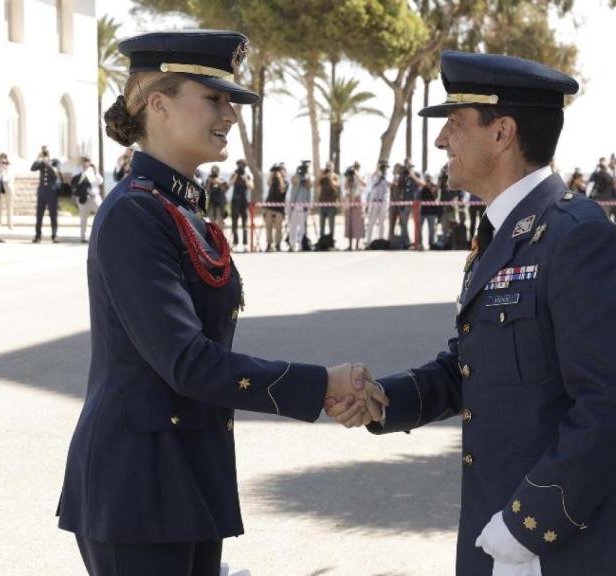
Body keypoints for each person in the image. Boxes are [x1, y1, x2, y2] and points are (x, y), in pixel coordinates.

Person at [57, 30, 388, 576]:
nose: (230, 115)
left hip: (188, 472)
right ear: (158, 104)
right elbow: (186, 361)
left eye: (229, 100)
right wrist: (321, 383)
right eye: (213, 98)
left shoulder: (177, 208)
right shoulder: (134, 215)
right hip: (137, 488)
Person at [329, 49, 616, 576]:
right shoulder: (505, 232)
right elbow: (474, 365)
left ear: (502, 132)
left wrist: (527, 525)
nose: (441, 141)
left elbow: (614, 401)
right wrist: (385, 400)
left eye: (454, 125)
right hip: (500, 531)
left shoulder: (577, 237)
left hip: (558, 545)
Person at [31, 147, 61, 243]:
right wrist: (38, 158)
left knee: (53, 215)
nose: (44, 156)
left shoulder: (54, 162)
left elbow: (55, 173)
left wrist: (47, 163)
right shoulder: (40, 164)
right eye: (43, 154)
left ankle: (54, 235)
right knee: (39, 215)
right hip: (42, 193)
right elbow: (32, 168)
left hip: (52, 193)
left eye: (45, 154)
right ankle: (38, 235)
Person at [73, 156, 104, 243]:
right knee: (83, 218)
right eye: (84, 161)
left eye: (87, 161)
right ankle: (83, 237)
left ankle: (101, 235)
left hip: (94, 196)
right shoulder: (77, 170)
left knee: (102, 214)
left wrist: (95, 172)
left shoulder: (93, 170)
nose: (86, 163)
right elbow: (74, 182)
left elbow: (100, 181)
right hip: (83, 197)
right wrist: (83, 174)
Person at [287, 160, 313, 251]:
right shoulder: (296, 177)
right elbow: (293, 181)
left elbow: (310, 185)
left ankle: (301, 245)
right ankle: (292, 245)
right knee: (293, 226)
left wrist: (307, 174)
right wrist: (298, 172)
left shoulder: (308, 177)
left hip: (303, 205)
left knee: (302, 227)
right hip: (294, 205)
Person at [227, 158, 252, 249]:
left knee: (245, 224)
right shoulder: (234, 174)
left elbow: (251, 187)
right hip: (235, 201)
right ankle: (235, 243)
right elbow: (229, 185)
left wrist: (245, 178)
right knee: (234, 223)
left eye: (242, 165)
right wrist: (236, 175)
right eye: (239, 165)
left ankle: (245, 244)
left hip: (244, 202)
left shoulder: (247, 175)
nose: (241, 167)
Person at [364, 160, 390, 244]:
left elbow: (390, 185)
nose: (383, 168)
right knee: (371, 221)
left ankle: (381, 239)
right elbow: (373, 180)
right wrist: (378, 169)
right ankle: (368, 241)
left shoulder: (387, 176)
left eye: (384, 166)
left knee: (382, 222)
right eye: (382, 166)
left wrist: (384, 177)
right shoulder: (375, 175)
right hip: (374, 201)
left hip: (383, 201)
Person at [262, 163, 286, 251]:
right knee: (268, 228)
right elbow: (268, 183)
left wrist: (280, 178)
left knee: (278, 228)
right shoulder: (273, 180)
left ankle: (278, 244)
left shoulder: (285, 181)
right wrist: (272, 173)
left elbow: (282, 189)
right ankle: (269, 245)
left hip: (279, 209)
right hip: (269, 207)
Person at [343, 163, 365, 250]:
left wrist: (357, 175)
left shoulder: (361, 175)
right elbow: (346, 187)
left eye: (356, 167)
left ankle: (357, 244)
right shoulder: (349, 177)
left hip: (357, 199)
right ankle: (350, 244)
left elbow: (364, 184)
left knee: (358, 222)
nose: (355, 169)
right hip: (349, 199)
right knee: (349, 221)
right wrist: (348, 178)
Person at [317, 161, 340, 240]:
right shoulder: (323, 177)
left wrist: (330, 179)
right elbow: (316, 185)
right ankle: (321, 240)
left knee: (331, 224)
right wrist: (320, 175)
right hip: (322, 203)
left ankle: (331, 240)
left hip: (331, 204)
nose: (328, 169)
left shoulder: (335, 177)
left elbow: (336, 188)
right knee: (321, 224)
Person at [419, 172, 441, 249]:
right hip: (423, 212)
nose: (428, 180)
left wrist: (432, 189)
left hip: (432, 212)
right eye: (427, 178)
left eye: (429, 178)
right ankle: (420, 243)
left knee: (431, 229)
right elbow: (419, 197)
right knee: (419, 228)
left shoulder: (434, 187)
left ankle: (431, 243)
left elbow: (436, 197)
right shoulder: (422, 187)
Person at [205, 165, 228, 229]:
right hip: (212, 203)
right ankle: (213, 236)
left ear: (219, 172)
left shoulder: (222, 179)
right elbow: (206, 190)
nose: (215, 173)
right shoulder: (209, 179)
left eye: (216, 171)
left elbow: (225, 189)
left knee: (220, 220)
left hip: (220, 204)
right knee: (211, 220)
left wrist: (219, 182)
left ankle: (221, 236)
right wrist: (210, 181)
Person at [0, 153, 15, 230]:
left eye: (5, 159)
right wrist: (1, 169)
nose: (4, 162)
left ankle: (10, 224)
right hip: (0, 186)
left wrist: (6, 168)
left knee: (10, 206)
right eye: (2, 160)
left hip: (8, 186)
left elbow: (11, 177)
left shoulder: (10, 166)